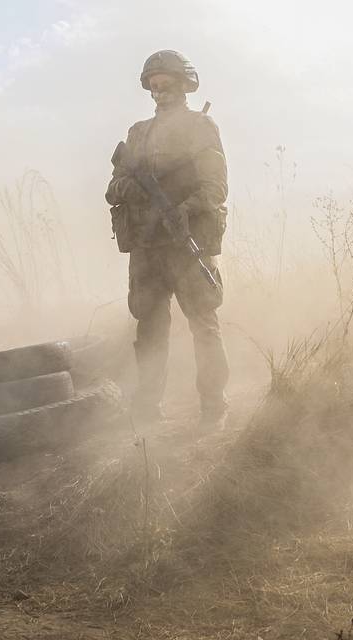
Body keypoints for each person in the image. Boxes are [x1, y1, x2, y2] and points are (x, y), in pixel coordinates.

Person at [105, 49, 230, 432]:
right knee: (149, 328)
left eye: (167, 85)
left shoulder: (200, 126)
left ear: (183, 85)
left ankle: (213, 406)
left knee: (203, 325)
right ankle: (147, 409)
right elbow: (113, 189)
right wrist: (134, 188)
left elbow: (216, 187)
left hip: (186, 241)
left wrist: (186, 208)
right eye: (154, 86)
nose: (160, 92)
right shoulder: (137, 133)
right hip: (147, 246)